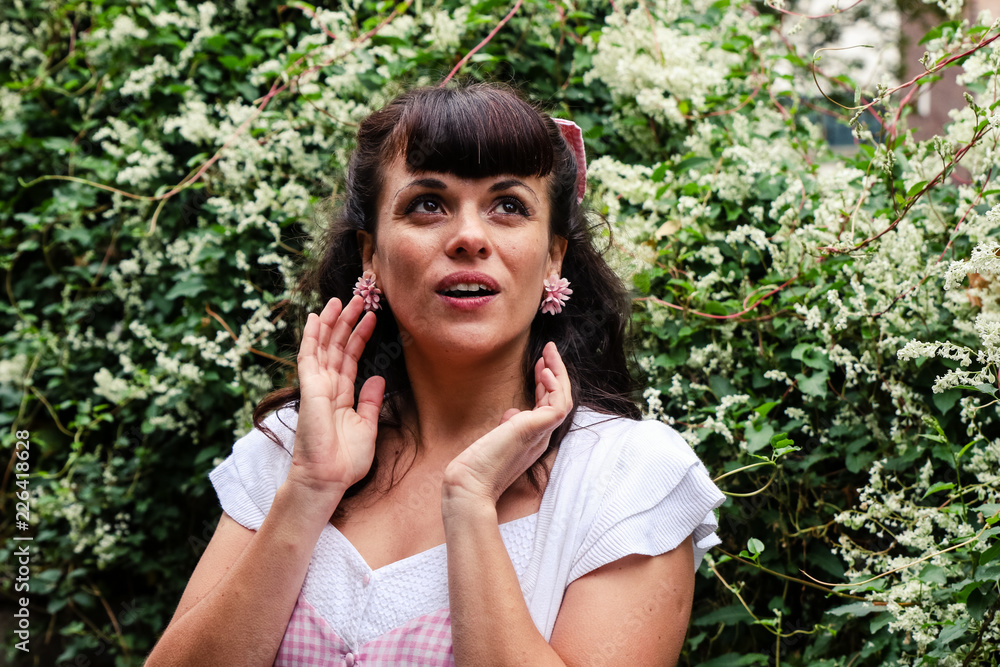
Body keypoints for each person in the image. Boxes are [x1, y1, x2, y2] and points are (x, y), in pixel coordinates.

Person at [146, 83, 725, 667]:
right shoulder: (291, 448)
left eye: (509, 205)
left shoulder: (627, 479)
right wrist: (309, 490)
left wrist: (471, 503)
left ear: (554, 256)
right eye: (427, 203)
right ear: (371, 254)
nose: (470, 237)